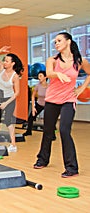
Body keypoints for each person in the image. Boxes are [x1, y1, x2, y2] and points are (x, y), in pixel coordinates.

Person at [33, 32, 90, 178]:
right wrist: (58, 75)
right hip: (52, 99)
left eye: (59, 40)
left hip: (69, 100)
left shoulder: (80, 61)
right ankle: (42, 159)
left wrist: (82, 88)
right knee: (48, 131)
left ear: (68, 42)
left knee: (65, 130)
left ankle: (72, 167)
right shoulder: (52, 60)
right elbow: (49, 73)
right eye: (55, 42)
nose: (56, 43)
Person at [0, 46, 24, 152]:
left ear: (12, 63)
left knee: (8, 121)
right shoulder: (1, 69)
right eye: (4, 60)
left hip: (10, 98)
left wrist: (6, 103)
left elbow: (17, 93)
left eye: (7, 61)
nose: (4, 63)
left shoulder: (15, 76)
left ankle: (13, 144)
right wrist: (1, 51)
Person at [23, 71, 49, 136]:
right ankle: (29, 131)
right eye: (38, 76)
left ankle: (51, 135)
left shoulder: (50, 86)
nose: (39, 77)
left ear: (45, 77)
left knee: (48, 120)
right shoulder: (37, 86)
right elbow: (33, 96)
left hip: (48, 105)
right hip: (39, 104)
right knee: (31, 117)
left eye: (40, 76)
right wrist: (33, 107)